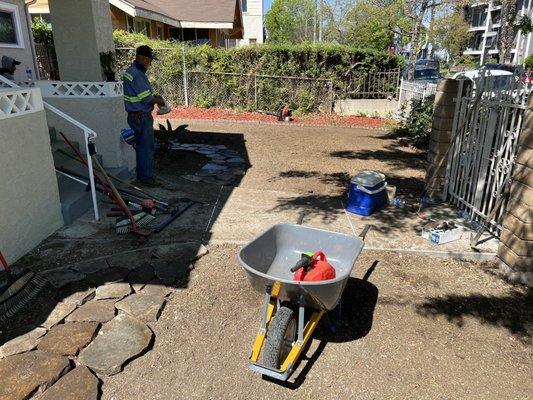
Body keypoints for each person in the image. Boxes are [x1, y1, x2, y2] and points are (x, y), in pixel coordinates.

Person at [123, 45, 165, 187]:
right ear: (141, 58)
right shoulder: (138, 75)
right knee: (146, 148)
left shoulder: (130, 71)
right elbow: (146, 99)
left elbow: (140, 94)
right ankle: (147, 178)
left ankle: (142, 177)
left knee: (141, 148)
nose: (150, 63)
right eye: (149, 60)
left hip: (134, 116)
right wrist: (159, 100)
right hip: (141, 117)